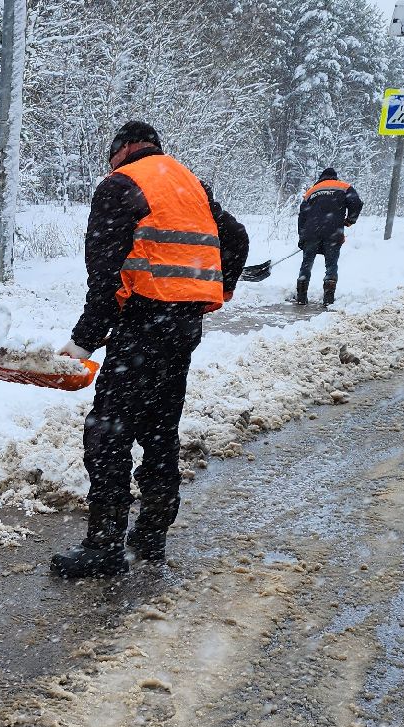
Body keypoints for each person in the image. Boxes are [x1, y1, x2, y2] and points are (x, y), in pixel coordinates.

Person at [51, 121, 249, 579]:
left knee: (108, 431)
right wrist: (216, 290)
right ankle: (152, 534)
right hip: (182, 327)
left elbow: (105, 278)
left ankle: (104, 547)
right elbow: (236, 238)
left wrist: (83, 342)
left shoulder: (121, 185)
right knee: (160, 428)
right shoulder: (190, 184)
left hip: (142, 323)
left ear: (121, 150)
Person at [294, 168, 362, 306]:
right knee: (331, 265)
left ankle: (301, 296)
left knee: (306, 264)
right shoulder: (344, 187)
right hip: (333, 232)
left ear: (321, 178)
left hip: (311, 232)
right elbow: (356, 203)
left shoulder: (312, 191)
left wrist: (302, 236)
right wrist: (350, 220)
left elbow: (302, 215)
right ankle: (328, 298)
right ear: (334, 177)